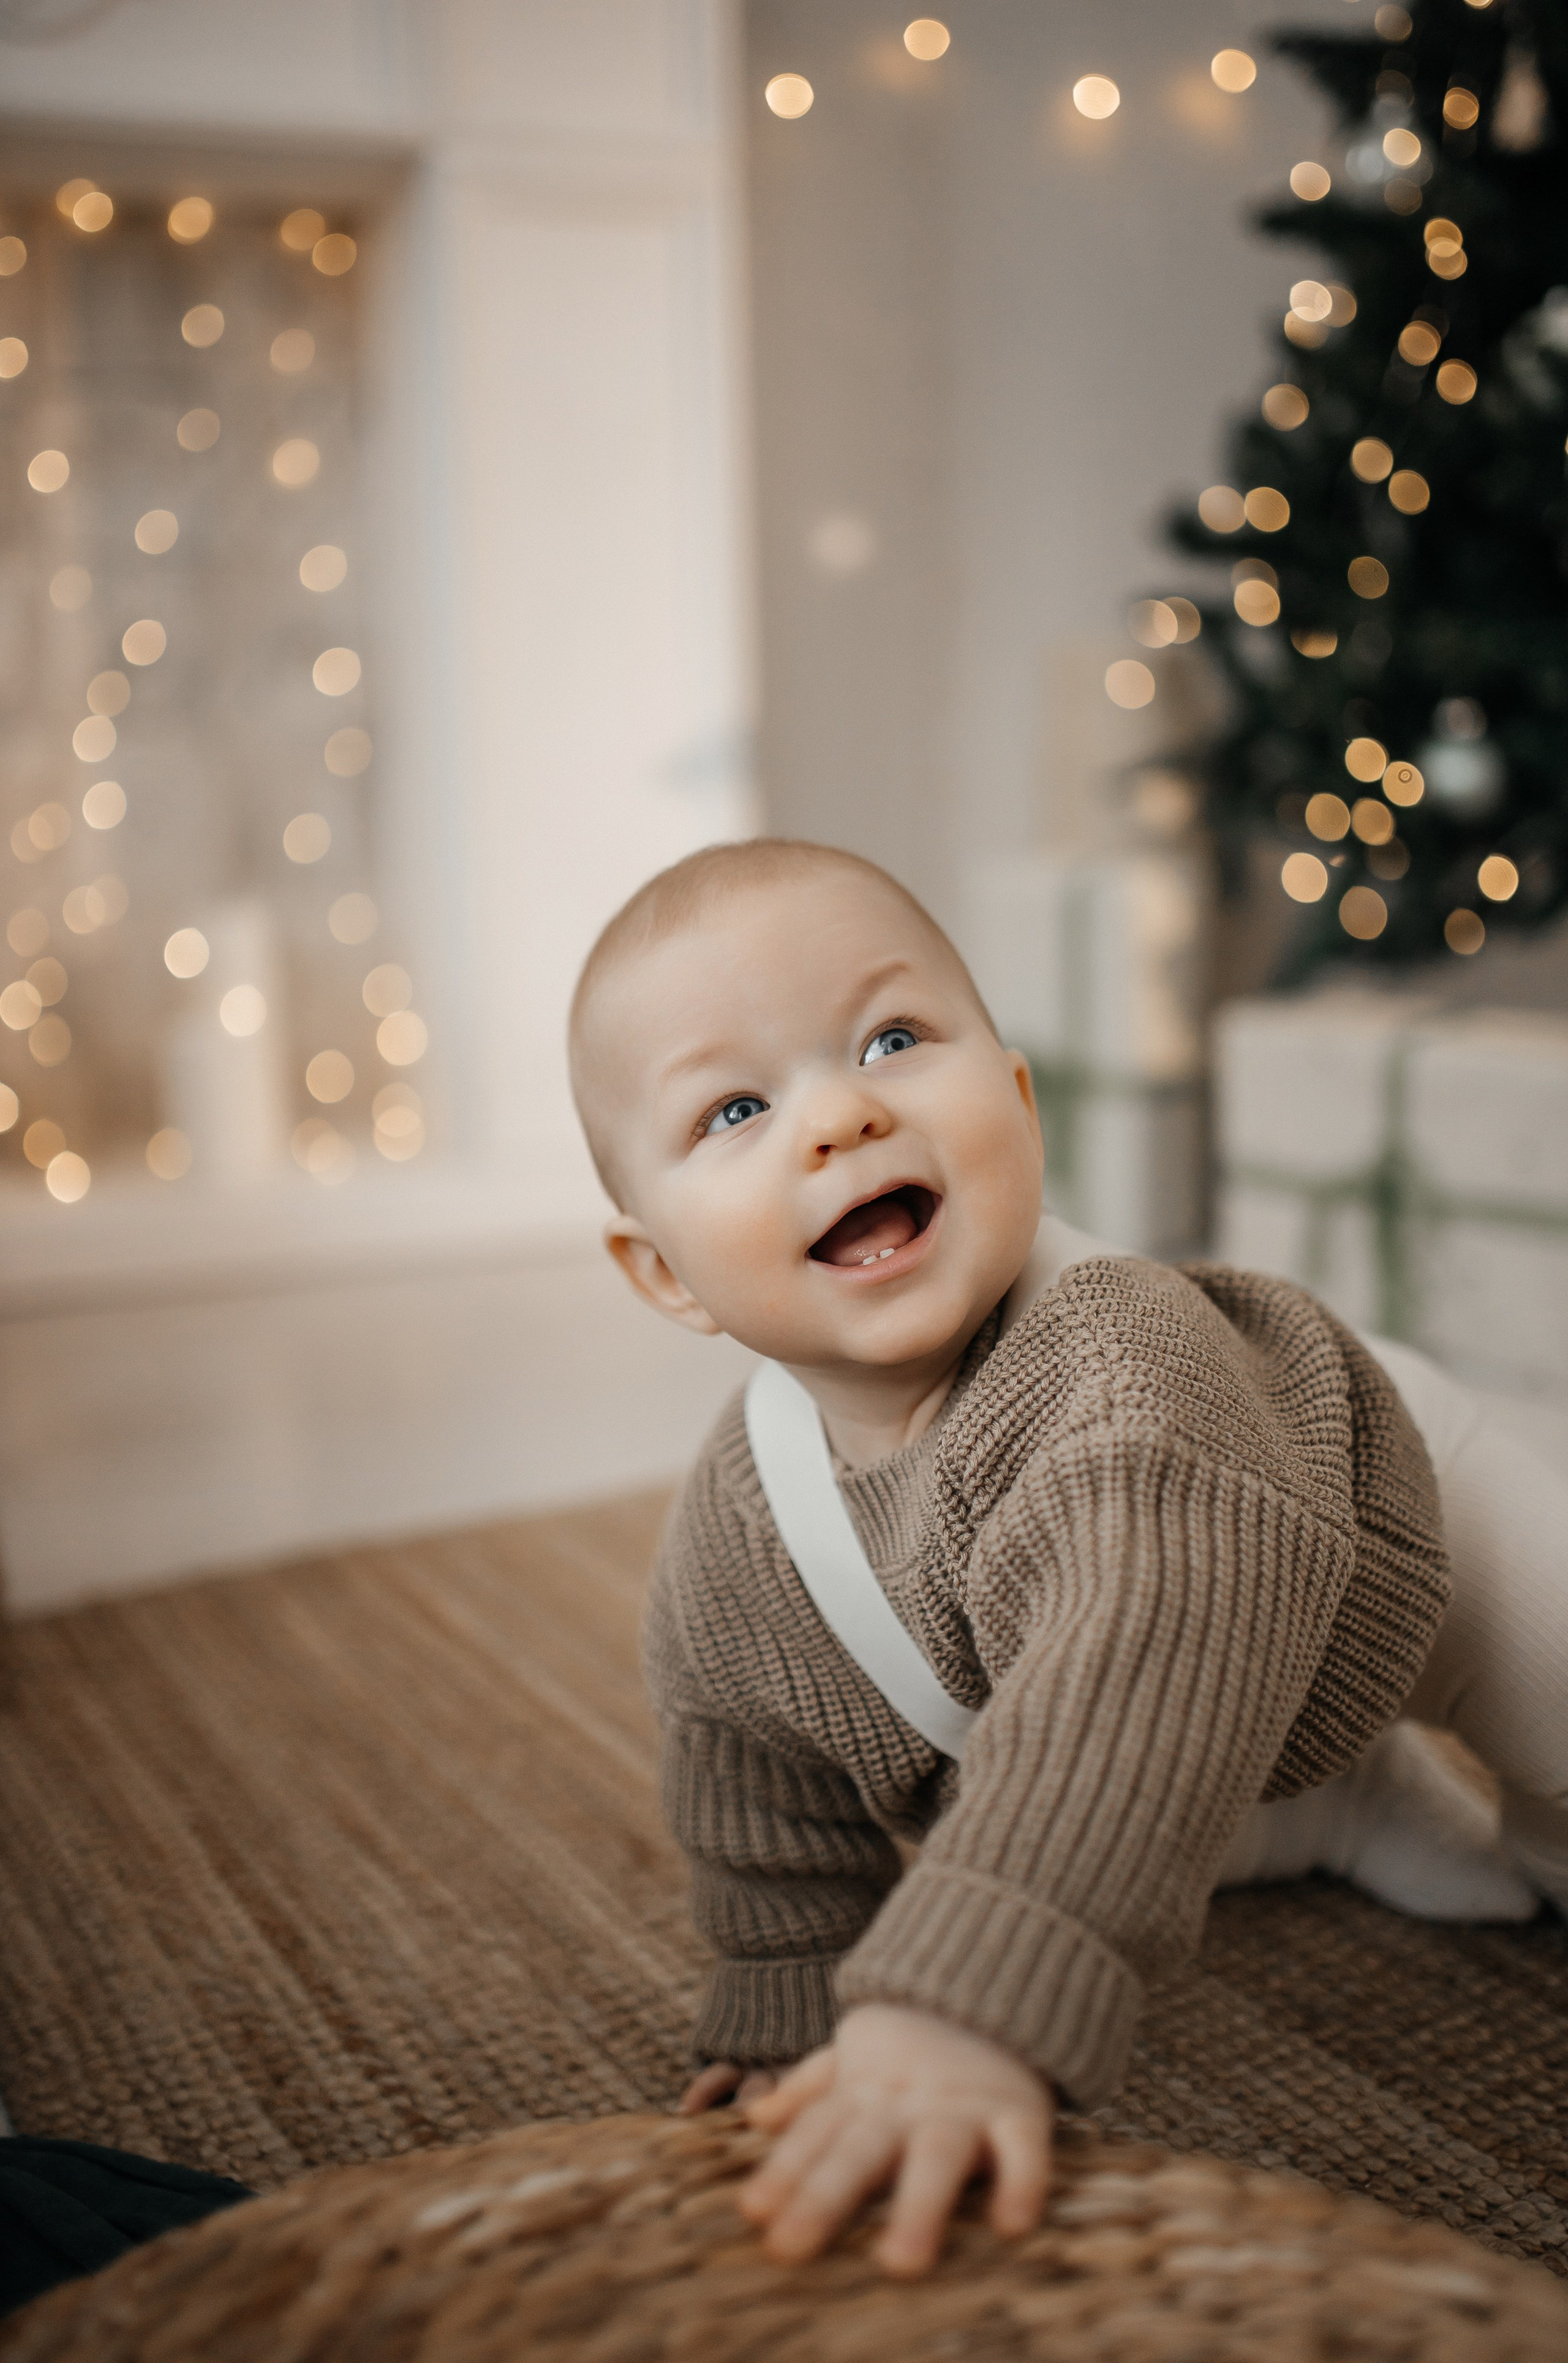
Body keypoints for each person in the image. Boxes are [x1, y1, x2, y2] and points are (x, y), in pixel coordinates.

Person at [566, 837, 1568, 2279]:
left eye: (893, 1040)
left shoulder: (1119, 1371)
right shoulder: (743, 1525)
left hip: (1389, 1532)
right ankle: (1340, 1816)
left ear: (1018, 1105)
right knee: (1172, 1766)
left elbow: (1137, 1661)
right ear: (663, 1272)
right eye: (734, 1107)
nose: (839, 1116)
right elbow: (740, 1752)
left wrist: (965, 2005)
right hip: (1219, 1695)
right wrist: (796, 1984)